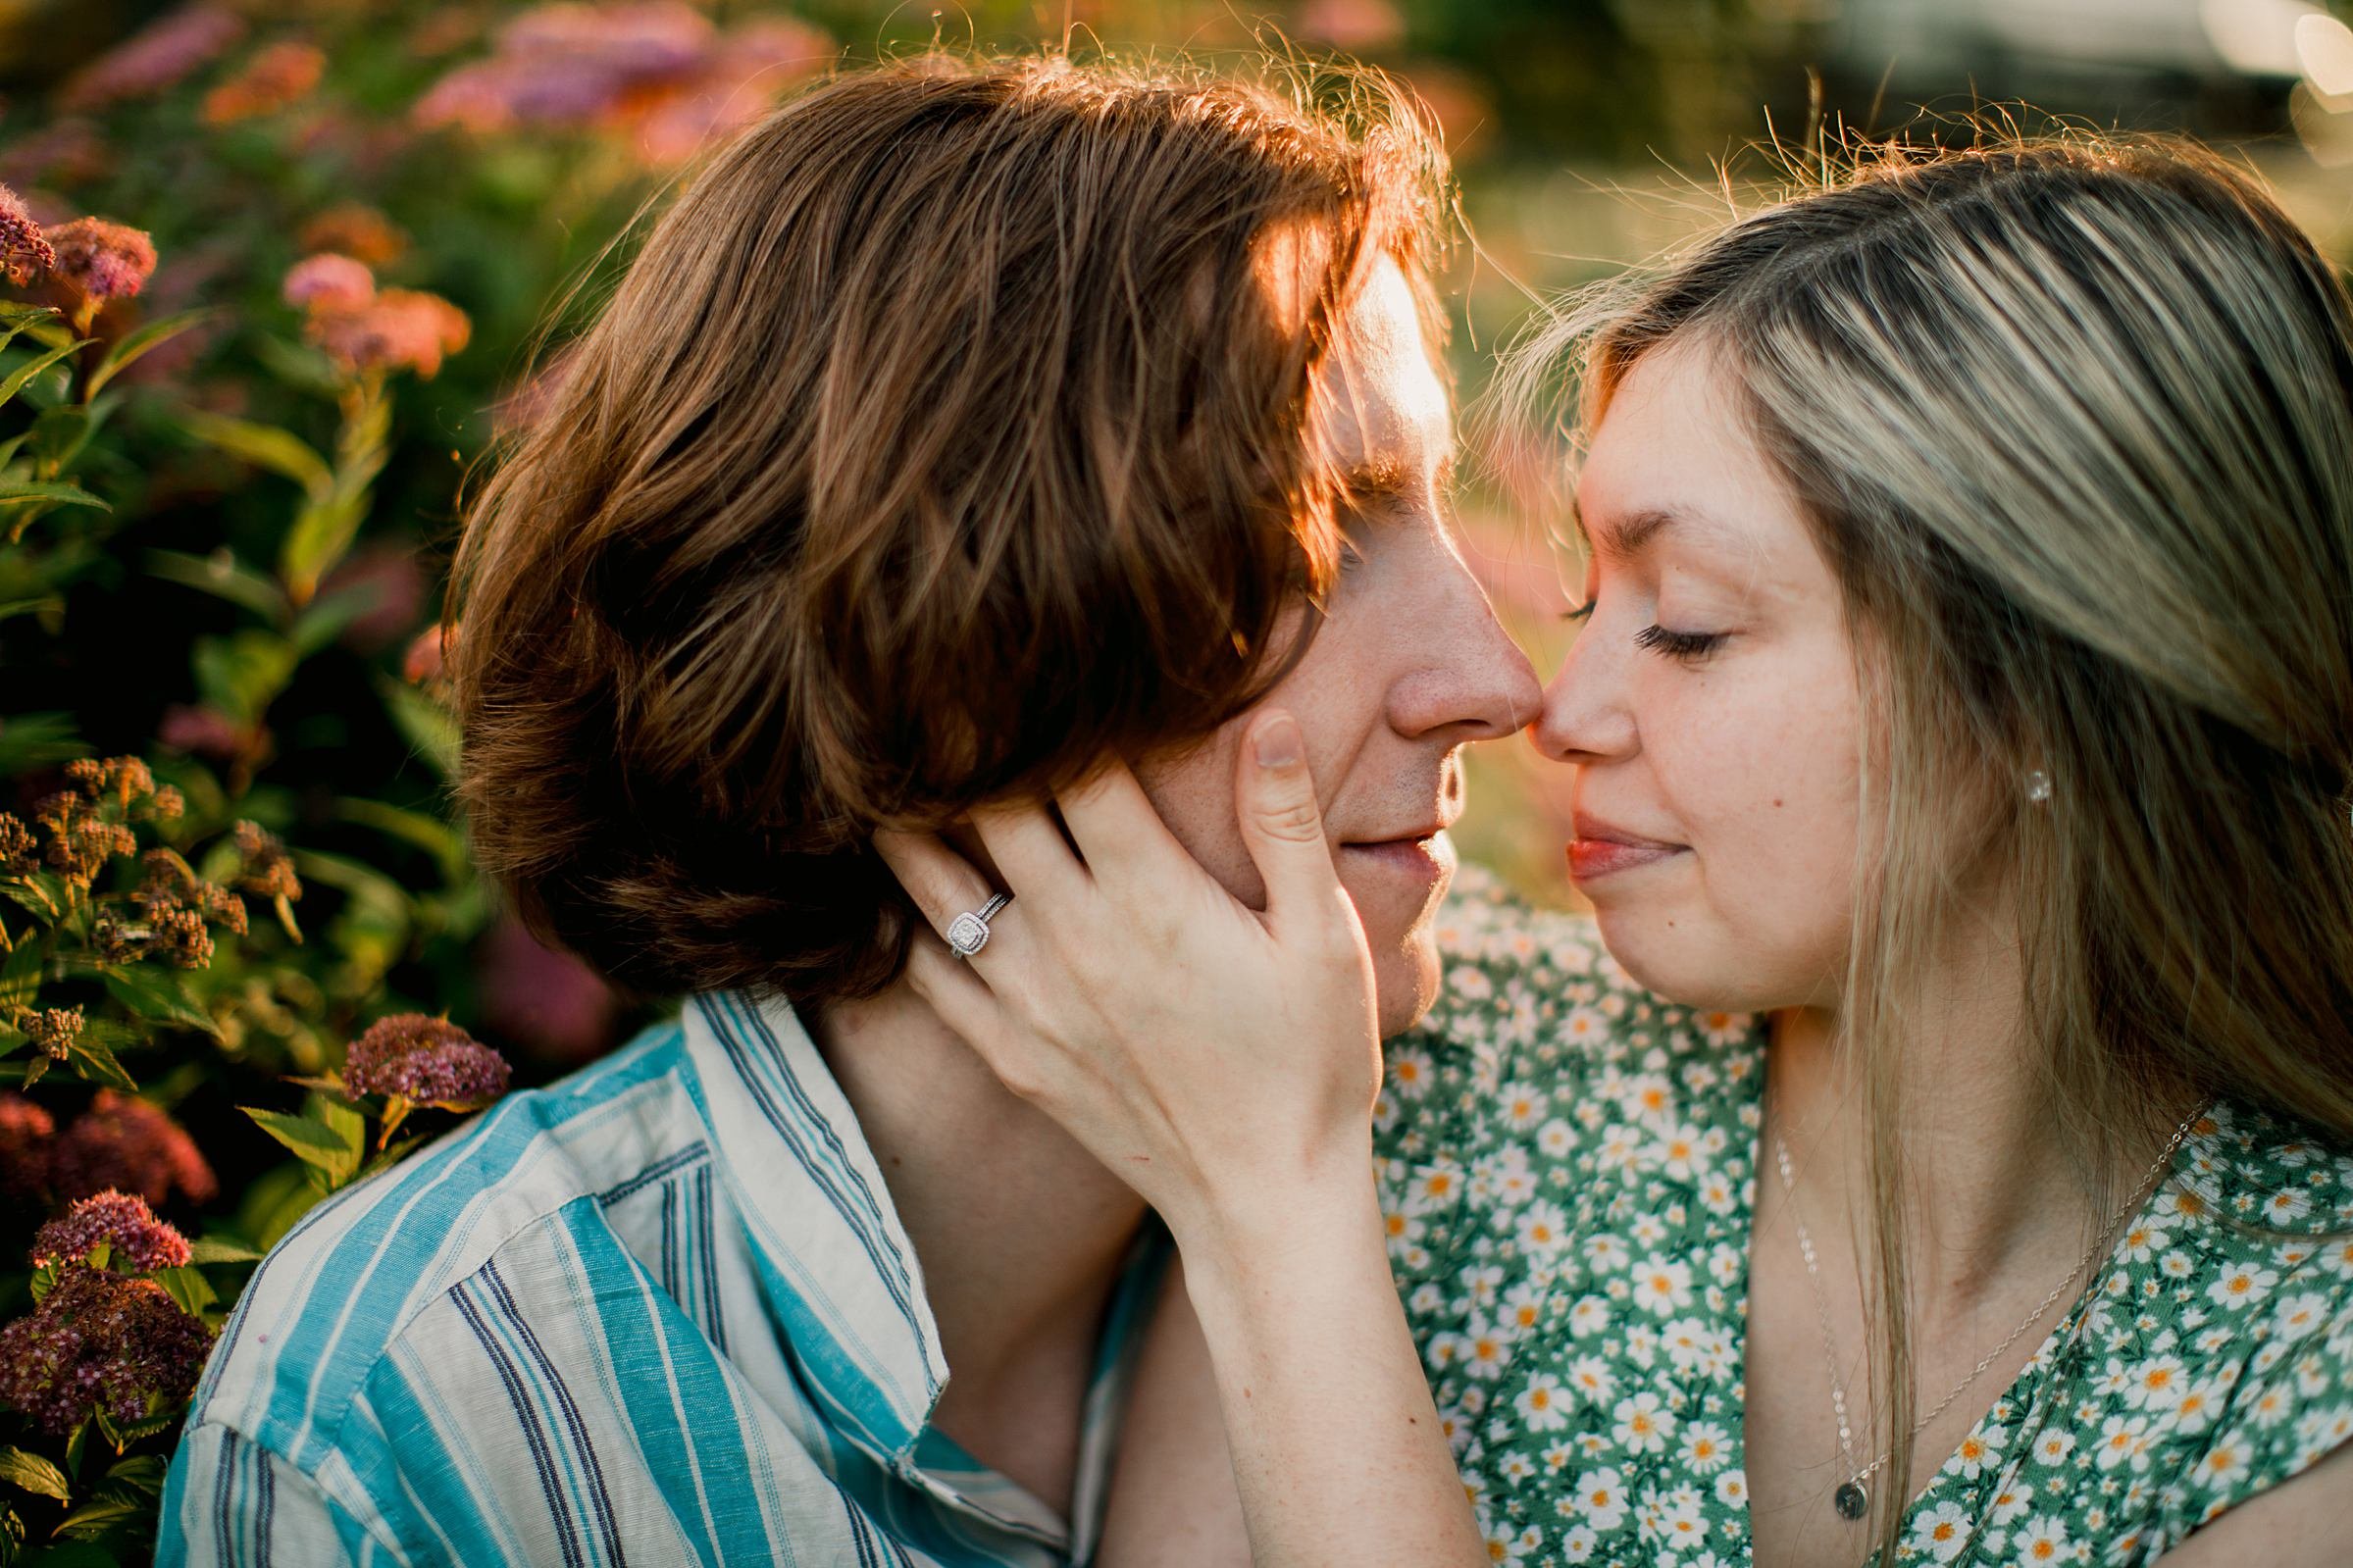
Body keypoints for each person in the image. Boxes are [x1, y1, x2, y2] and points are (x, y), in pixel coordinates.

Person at [880, 132, 2353, 1566]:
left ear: (2054, 688)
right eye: (1591, 604)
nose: (1554, 710)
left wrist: (1271, 1209)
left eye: (1692, 624)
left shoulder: (2306, 1348)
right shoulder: (1405, 1078)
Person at [154, 51, 1543, 1565]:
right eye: (1319, 535)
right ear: (931, 642)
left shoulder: (1546, 1138)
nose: (1495, 679)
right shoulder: (423, 1415)